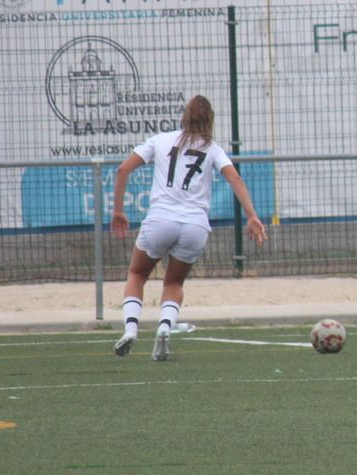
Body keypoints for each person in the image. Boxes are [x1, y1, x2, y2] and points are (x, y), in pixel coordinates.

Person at [110, 95, 266, 360]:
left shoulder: (160, 140)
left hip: (160, 220)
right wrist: (251, 216)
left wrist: (118, 210)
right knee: (174, 281)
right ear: (210, 121)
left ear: (185, 116)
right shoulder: (213, 149)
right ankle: (164, 329)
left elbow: (123, 169)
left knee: (137, 273)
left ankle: (131, 329)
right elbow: (235, 178)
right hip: (195, 225)